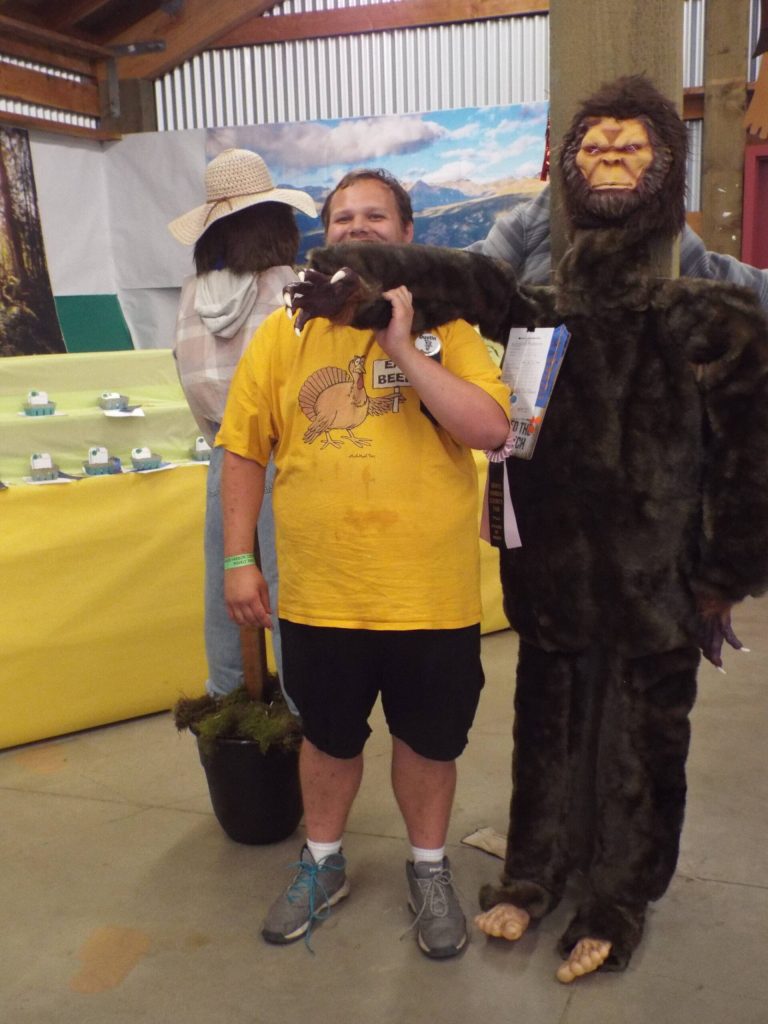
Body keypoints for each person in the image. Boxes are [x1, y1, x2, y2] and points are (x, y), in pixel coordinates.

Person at [216, 168, 511, 958]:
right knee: (328, 738)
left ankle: (429, 867)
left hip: (431, 596)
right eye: (342, 216)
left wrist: (401, 345)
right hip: (322, 593)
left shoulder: (449, 327)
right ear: (326, 234)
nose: (356, 226)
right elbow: (243, 449)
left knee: (430, 742)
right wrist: (239, 556)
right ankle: (322, 862)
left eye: (375, 215)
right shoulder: (284, 332)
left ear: (407, 232)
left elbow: (490, 429)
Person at [168, 148, 318, 700]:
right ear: (278, 223)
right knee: (288, 585)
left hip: (225, 451)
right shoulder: (294, 288)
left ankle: (228, 695)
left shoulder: (191, 295)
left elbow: (187, 378)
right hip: (289, 454)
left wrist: (220, 442)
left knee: (225, 578)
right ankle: (303, 707)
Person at [467, 182, 768, 307]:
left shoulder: (672, 242)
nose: (611, 162)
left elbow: (737, 285)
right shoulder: (533, 225)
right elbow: (467, 274)